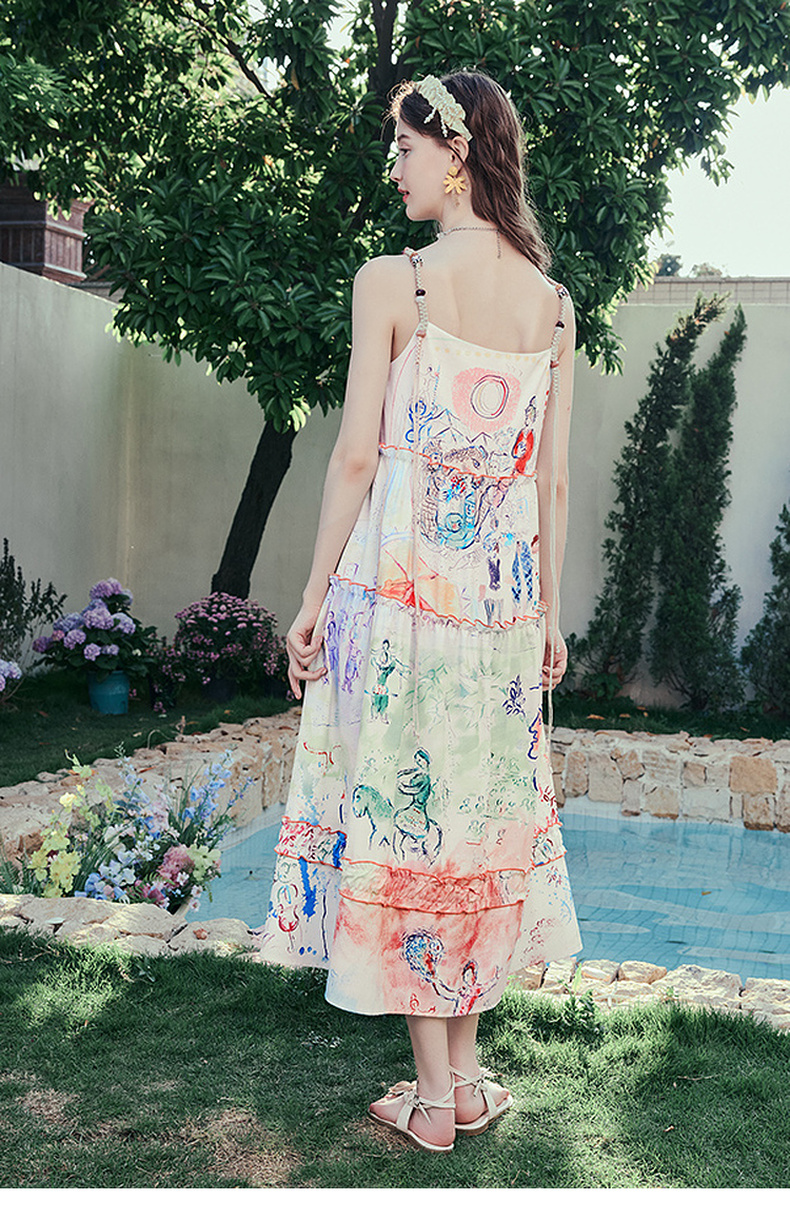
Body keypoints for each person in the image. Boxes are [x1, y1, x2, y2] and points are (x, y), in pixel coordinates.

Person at [258, 70, 582, 1153]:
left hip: (396, 603)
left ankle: (435, 1099)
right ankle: (468, 1082)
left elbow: (355, 455)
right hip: (498, 617)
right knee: (475, 831)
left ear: (454, 151)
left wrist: (310, 599)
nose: (392, 167)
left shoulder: (393, 281)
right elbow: (552, 483)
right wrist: (547, 617)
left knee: (409, 828)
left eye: (403, 147)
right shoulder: (553, 304)